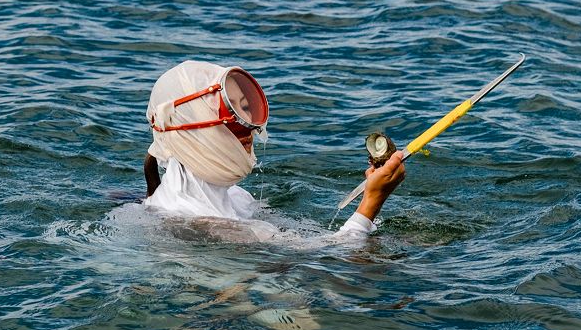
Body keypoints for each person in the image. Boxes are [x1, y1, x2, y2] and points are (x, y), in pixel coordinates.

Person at [142, 60, 405, 238]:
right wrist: (373, 200)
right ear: (190, 125)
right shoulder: (205, 223)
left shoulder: (233, 197)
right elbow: (332, 264)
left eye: (245, 108)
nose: (246, 124)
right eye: (228, 111)